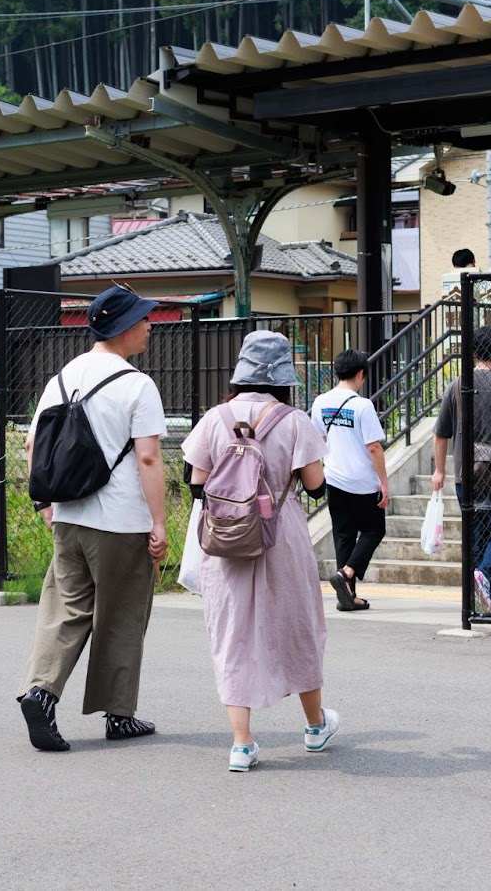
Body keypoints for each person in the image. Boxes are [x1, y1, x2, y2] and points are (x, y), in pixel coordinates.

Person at [17, 284, 168, 752]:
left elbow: (31, 446)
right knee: (121, 616)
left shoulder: (61, 377)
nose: (149, 325)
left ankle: (41, 693)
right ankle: (118, 715)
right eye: (144, 319)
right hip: (120, 519)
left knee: (65, 608)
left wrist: (45, 505)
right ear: (124, 327)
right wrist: (159, 524)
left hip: (67, 514)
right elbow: (147, 459)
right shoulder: (137, 385)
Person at [183, 330, 337, 772]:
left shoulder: (215, 418)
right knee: (297, 626)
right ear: (283, 374)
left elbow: (195, 484)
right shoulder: (293, 420)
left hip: (226, 539)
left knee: (232, 633)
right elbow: (314, 485)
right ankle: (313, 726)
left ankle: (242, 744)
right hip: (281, 535)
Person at [431, 326, 491, 615]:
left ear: (473, 352)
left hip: (466, 473)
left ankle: (477, 601)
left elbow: (441, 434)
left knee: (475, 536)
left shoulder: (458, 385)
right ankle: (485, 578)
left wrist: (439, 471)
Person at [309, 349, 389, 612]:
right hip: (362, 482)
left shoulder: (321, 402)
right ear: (361, 374)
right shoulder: (362, 405)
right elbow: (374, 447)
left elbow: (317, 440)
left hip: (334, 479)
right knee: (374, 530)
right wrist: (384, 483)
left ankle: (348, 597)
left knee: (344, 536)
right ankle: (346, 574)